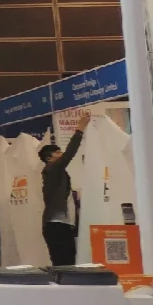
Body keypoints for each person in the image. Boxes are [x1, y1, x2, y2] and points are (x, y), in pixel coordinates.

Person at [38, 113, 90, 267]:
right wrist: (80, 128)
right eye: (58, 153)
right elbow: (69, 154)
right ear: (49, 158)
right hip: (56, 225)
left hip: (63, 225)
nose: (61, 155)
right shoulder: (52, 170)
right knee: (63, 263)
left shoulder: (57, 174)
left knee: (68, 262)